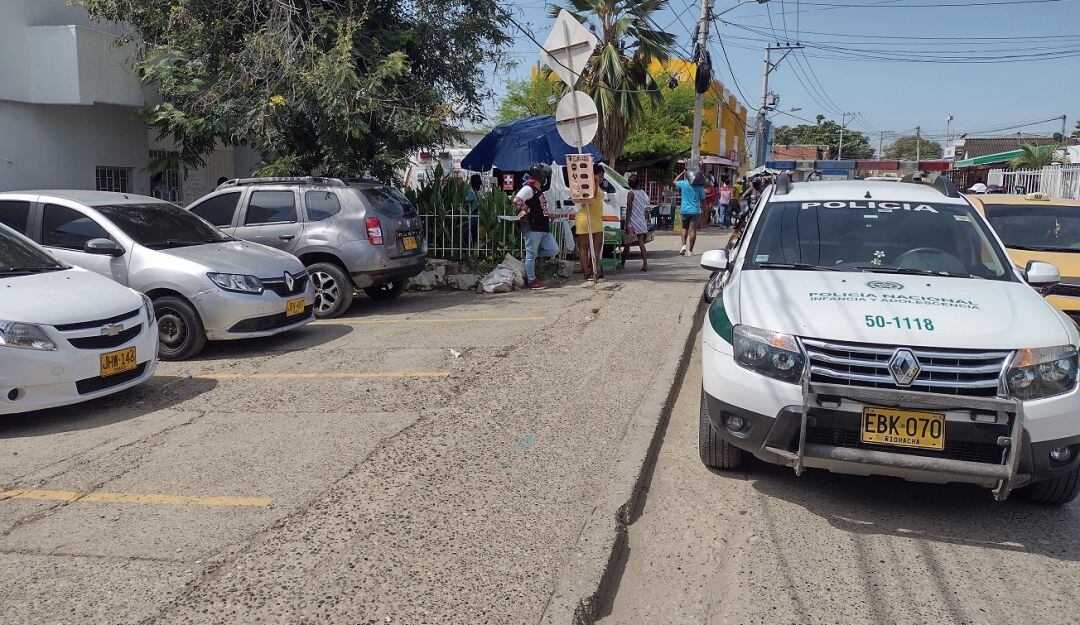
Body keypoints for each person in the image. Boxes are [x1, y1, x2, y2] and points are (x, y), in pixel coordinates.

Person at [513, 163, 559, 290]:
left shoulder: (538, 190)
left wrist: (549, 215)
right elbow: (517, 200)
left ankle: (530, 258)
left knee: (553, 249)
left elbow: (539, 207)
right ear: (540, 176)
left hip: (543, 226)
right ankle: (532, 281)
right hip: (532, 227)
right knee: (531, 254)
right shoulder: (528, 188)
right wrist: (526, 209)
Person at [576, 162, 607, 281]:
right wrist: (596, 180)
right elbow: (591, 196)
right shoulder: (592, 182)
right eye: (601, 175)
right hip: (588, 218)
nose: (602, 178)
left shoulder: (593, 183)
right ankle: (589, 271)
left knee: (592, 246)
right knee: (589, 246)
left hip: (593, 218)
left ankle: (590, 270)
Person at [621, 175, 649, 272]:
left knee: (627, 244)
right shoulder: (642, 193)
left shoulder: (631, 193)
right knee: (641, 243)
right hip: (641, 221)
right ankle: (645, 263)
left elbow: (629, 208)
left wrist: (627, 222)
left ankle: (622, 264)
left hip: (632, 221)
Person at [674, 169, 706, 256]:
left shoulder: (683, 184)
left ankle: (683, 246)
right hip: (695, 211)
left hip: (684, 210)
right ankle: (690, 251)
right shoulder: (700, 187)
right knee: (693, 230)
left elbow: (675, 181)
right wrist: (704, 212)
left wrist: (683, 172)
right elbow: (703, 200)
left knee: (684, 228)